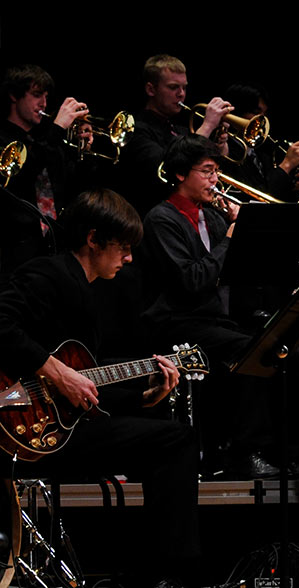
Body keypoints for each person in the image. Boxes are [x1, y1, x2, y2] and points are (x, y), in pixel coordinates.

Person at [0, 189, 200, 583]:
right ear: (93, 239)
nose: (128, 259)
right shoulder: (46, 274)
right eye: (122, 248)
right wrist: (55, 371)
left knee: (172, 436)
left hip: (59, 431)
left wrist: (146, 397)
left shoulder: (90, 291)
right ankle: (173, 576)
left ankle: (151, 571)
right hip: (18, 427)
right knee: (177, 441)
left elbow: (85, 385)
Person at [140, 134, 280, 478]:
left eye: (217, 171)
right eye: (206, 172)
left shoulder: (214, 219)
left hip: (213, 320)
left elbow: (242, 272)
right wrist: (232, 238)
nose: (215, 181)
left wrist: (247, 232)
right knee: (248, 349)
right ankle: (243, 453)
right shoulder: (162, 219)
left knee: (277, 345)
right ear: (180, 175)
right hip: (176, 321)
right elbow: (191, 281)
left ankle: (263, 448)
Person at [0, 64, 91, 280]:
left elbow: (72, 186)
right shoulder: (4, 140)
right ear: (14, 95)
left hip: (54, 246)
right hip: (15, 252)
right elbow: (21, 174)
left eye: (46, 96)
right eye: (36, 95)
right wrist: (57, 129)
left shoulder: (44, 141)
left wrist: (82, 152)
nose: (44, 104)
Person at [118, 54, 232, 214]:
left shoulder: (182, 130)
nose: (181, 94)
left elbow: (213, 168)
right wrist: (207, 126)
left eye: (184, 87)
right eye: (173, 87)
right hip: (153, 216)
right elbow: (167, 169)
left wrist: (220, 144)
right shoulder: (136, 130)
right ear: (151, 89)